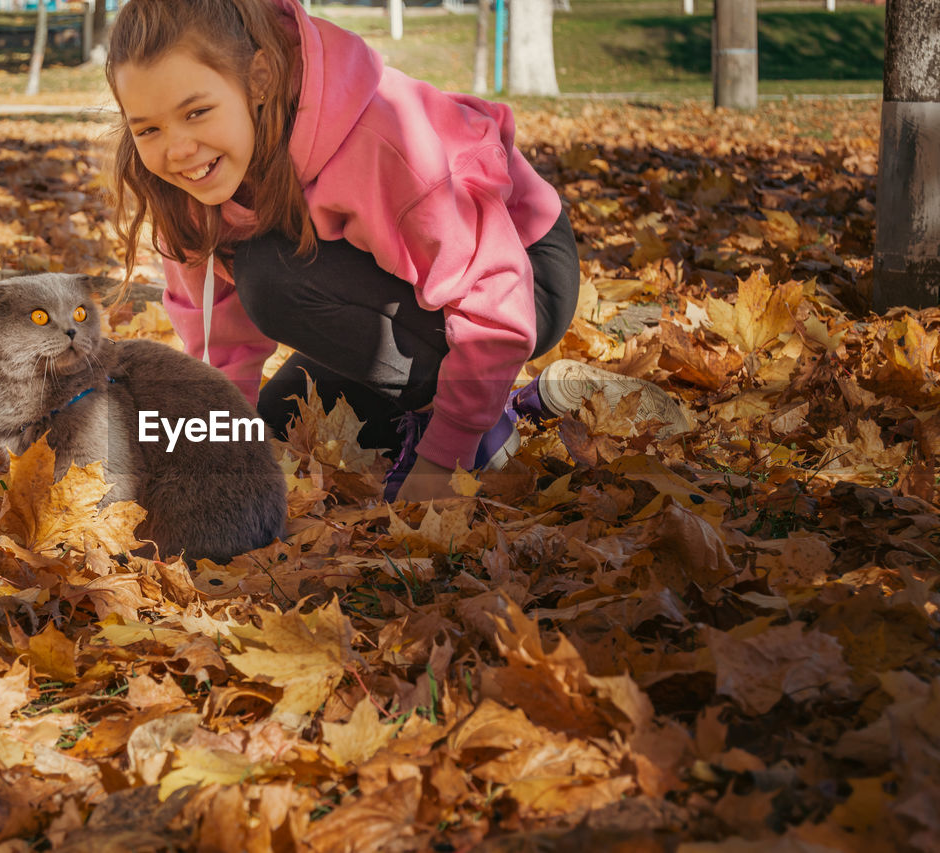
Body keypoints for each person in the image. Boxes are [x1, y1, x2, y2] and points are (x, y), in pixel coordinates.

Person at [105, 0, 688, 503]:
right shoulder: (184, 184)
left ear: (258, 79)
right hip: (403, 291)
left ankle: (478, 424)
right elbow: (221, 345)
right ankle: (526, 403)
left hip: (522, 276)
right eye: (148, 128)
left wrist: (446, 458)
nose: (177, 149)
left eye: (197, 111)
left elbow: (494, 297)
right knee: (274, 427)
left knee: (271, 278)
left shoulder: (382, 140)